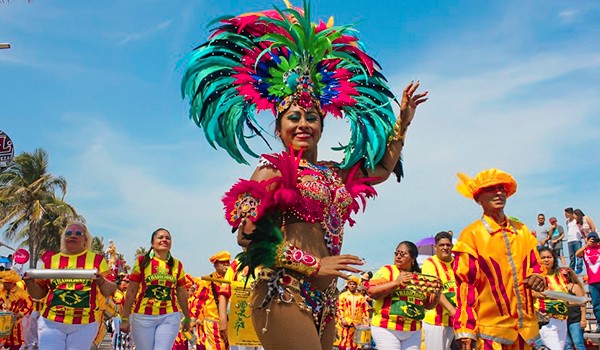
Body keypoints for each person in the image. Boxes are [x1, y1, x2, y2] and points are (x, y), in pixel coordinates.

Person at [180, 2, 427, 350]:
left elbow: (383, 169)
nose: (303, 124)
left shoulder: (332, 174)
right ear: (280, 129)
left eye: (312, 117)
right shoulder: (269, 171)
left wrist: (402, 123)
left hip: (326, 303)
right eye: (293, 117)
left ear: (323, 127)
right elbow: (247, 238)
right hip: (282, 293)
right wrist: (315, 264)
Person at [454, 169, 547, 349]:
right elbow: (466, 286)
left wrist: (538, 277)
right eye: (491, 189)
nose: (498, 193)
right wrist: (466, 328)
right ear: (479, 199)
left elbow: (536, 266)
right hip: (492, 334)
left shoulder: (522, 231)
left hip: (526, 333)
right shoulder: (471, 235)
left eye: (501, 188)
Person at [23, 221, 117, 350]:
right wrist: (29, 283)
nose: (72, 235)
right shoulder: (51, 261)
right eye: (68, 233)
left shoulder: (97, 261)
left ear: (85, 239)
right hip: (51, 323)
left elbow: (110, 291)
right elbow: (39, 294)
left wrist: (101, 281)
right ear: (64, 238)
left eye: (78, 233)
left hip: (84, 324)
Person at [119, 228, 191, 350]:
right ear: (152, 243)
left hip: (169, 316)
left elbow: (182, 294)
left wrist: (187, 317)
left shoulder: (177, 264)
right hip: (143, 317)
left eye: (167, 238)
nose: (164, 240)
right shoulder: (142, 261)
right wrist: (125, 318)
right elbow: (131, 291)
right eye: (160, 237)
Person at [367, 241, 441, 350]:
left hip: (412, 330)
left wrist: (438, 293)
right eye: (397, 253)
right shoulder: (388, 271)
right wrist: (396, 283)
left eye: (403, 254)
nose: (398, 256)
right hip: (386, 327)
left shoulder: (419, 279)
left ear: (413, 258)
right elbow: (371, 292)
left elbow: (428, 306)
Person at [422, 231, 456, 350]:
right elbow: (435, 290)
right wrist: (452, 310)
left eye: (448, 245)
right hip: (436, 321)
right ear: (435, 247)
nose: (445, 248)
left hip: (456, 320)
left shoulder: (458, 263)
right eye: (442, 245)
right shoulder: (430, 263)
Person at [190, 251, 231, 350]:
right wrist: (192, 320)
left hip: (230, 323)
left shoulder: (233, 279)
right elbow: (198, 302)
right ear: (215, 265)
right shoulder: (207, 281)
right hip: (213, 323)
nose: (226, 265)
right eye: (223, 262)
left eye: (227, 262)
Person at [533, 248, 568, 350]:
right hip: (547, 320)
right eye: (543, 258)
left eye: (549, 257)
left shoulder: (560, 275)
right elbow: (528, 293)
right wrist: (540, 294)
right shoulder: (535, 276)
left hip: (562, 319)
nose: (546, 260)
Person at [333, 275, 370, 350]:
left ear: (356, 285)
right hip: (344, 323)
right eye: (350, 284)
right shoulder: (343, 296)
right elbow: (339, 308)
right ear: (348, 285)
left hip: (357, 323)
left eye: (354, 284)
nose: (352, 286)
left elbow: (365, 310)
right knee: (343, 343)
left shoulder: (360, 297)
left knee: (355, 344)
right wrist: (342, 319)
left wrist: (366, 321)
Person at [0, 269, 33, 350]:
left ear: (11, 283)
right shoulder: (2, 291)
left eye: (5, 282)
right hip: (1, 320)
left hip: (15, 322)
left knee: (15, 342)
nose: (3, 284)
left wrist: (20, 313)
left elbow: (30, 304)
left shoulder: (21, 293)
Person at [575, 231, 600, 332]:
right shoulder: (586, 250)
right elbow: (577, 254)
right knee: (596, 304)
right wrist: (587, 244)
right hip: (593, 282)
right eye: (591, 239)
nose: (593, 241)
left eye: (595, 239)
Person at [561, 267, 587, 350]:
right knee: (566, 345)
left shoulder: (575, 287)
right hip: (562, 318)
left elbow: (582, 304)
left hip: (575, 317)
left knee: (578, 343)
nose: (563, 277)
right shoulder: (557, 287)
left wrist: (583, 319)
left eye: (565, 275)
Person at [564, 208, 583, 274]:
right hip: (570, 240)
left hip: (577, 239)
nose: (565, 215)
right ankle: (571, 268)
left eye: (566, 213)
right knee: (571, 256)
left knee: (578, 254)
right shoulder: (567, 222)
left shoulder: (576, 220)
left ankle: (579, 267)